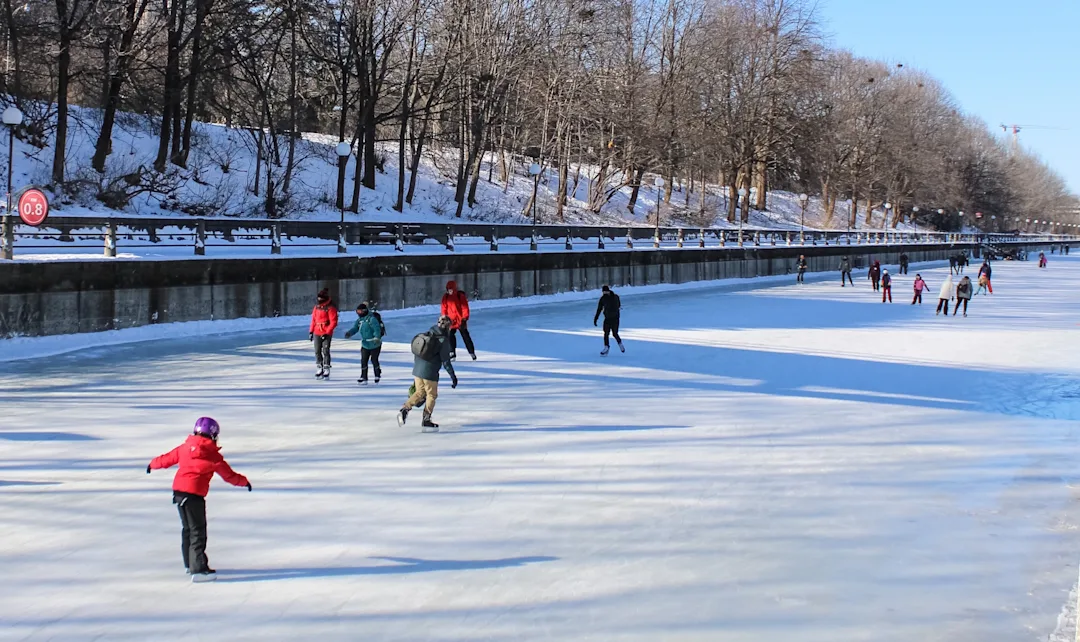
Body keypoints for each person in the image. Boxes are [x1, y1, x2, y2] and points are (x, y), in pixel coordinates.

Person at [147, 417, 251, 582]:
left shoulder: (185, 448)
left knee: (188, 529)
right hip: (194, 495)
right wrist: (244, 482)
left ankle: (189, 564)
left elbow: (167, 458)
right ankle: (199, 569)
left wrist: (152, 464)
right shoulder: (213, 456)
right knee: (197, 531)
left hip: (179, 492)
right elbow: (229, 476)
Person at [399, 315, 457, 431]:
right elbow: (446, 361)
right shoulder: (443, 340)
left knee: (420, 392)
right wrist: (453, 377)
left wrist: (418, 369)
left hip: (417, 369)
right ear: (447, 327)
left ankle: (405, 409)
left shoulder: (428, 333)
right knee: (431, 395)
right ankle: (426, 419)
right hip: (430, 372)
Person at [344, 302, 385, 384]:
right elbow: (355, 328)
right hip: (365, 344)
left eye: (360, 312)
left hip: (374, 343)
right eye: (357, 312)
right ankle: (363, 377)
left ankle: (377, 374)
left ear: (364, 311)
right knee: (364, 360)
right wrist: (350, 333)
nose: (358, 313)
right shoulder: (359, 321)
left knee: (374, 360)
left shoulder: (372, 319)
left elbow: (377, 329)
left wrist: (377, 337)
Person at [441, 281, 476, 361]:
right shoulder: (445, 297)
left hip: (460, 320)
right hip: (451, 321)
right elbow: (444, 309)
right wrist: (445, 318)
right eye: (448, 290)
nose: (450, 291)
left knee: (466, 336)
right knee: (450, 336)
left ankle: (471, 352)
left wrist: (464, 319)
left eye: (451, 290)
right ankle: (452, 352)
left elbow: (465, 308)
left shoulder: (460, 296)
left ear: (454, 289)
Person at [309, 289, 338, 379]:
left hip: (326, 331)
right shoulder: (316, 307)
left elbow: (333, 322)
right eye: (318, 298)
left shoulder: (330, 308)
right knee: (317, 351)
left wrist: (327, 332)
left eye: (321, 298)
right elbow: (313, 320)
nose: (319, 299)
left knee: (325, 350)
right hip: (317, 331)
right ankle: (319, 366)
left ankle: (326, 367)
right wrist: (311, 331)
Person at [594, 285, 623, 355]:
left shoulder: (615, 297)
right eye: (603, 292)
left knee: (615, 333)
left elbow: (619, 305)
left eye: (605, 291)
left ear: (608, 291)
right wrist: (596, 318)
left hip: (615, 318)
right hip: (607, 318)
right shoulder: (603, 299)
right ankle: (606, 347)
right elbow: (599, 309)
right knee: (606, 333)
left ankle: (620, 343)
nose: (604, 293)